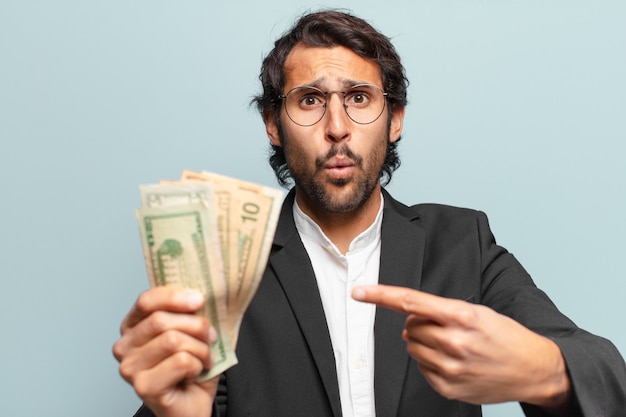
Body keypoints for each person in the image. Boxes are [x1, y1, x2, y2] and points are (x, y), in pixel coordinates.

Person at [113, 9, 626, 417]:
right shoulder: (224, 265)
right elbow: (182, 395)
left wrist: (542, 371)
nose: (337, 126)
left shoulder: (463, 242)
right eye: (310, 100)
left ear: (394, 119)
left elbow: (604, 372)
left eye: (359, 97)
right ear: (274, 123)